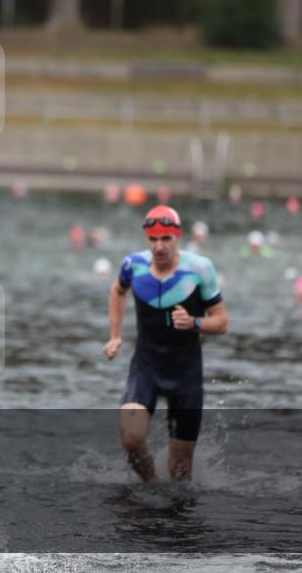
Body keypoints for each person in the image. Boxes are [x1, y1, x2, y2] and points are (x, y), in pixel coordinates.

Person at [103, 205, 228, 482]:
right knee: (131, 439)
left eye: (166, 239)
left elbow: (221, 322)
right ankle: (151, 486)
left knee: (181, 471)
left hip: (186, 374)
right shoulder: (133, 265)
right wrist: (115, 335)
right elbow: (116, 291)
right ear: (146, 239)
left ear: (178, 237)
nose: (159, 247)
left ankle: (172, 512)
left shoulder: (199, 269)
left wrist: (194, 322)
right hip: (146, 367)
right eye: (153, 240)